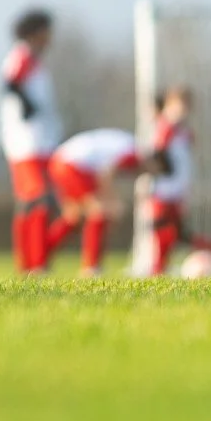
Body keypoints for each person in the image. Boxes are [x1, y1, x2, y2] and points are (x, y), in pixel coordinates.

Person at [46, 127, 164, 278]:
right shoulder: (134, 155)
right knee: (101, 212)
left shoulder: (133, 150)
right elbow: (107, 174)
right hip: (74, 165)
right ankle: (91, 267)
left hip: (61, 162)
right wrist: (112, 201)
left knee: (73, 217)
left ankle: (38, 258)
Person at [1, 8, 61, 273]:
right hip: (27, 142)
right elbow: (11, 83)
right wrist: (29, 107)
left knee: (31, 199)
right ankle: (34, 262)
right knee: (37, 198)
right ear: (36, 32)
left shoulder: (35, 61)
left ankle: (29, 263)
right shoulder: (22, 56)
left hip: (41, 141)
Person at [143, 86, 196, 276]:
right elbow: (156, 156)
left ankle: (162, 268)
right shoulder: (164, 128)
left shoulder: (183, 132)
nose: (182, 111)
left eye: (186, 107)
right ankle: (158, 269)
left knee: (176, 232)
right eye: (178, 106)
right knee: (163, 231)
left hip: (178, 190)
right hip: (162, 190)